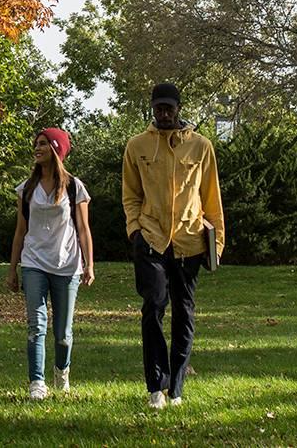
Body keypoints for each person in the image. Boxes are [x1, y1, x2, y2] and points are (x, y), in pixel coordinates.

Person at [122, 83, 225, 409]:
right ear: (152, 109)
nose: (164, 114)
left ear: (179, 108)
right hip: (150, 239)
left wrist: (217, 242)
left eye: (169, 108)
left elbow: (211, 197)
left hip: (189, 242)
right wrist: (135, 229)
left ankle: (177, 387)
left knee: (184, 313)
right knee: (153, 307)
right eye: (159, 108)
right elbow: (130, 195)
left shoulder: (201, 146)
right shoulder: (136, 146)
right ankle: (156, 385)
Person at [7, 128, 95, 400]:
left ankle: (62, 372)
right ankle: (37, 382)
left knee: (63, 333)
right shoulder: (27, 188)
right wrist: (13, 268)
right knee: (36, 324)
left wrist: (89, 264)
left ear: (57, 149)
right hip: (34, 262)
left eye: (43, 143)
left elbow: (83, 229)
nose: (37, 148)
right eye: (36, 143)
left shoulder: (74, 187)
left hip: (67, 265)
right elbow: (20, 231)